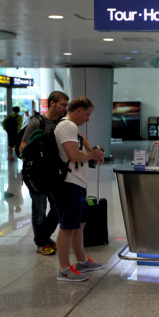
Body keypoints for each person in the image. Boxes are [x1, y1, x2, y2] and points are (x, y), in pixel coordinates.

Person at [51, 97, 105, 282]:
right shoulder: (67, 126)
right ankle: (64, 270)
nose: (88, 119)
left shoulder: (71, 128)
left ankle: (81, 261)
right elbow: (73, 155)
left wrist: (92, 154)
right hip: (68, 184)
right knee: (68, 226)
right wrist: (92, 154)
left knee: (79, 224)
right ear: (79, 110)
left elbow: (78, 150)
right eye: (87, 114)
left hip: (77, 183)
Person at [20, 91, 69, 256]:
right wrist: (34, 166)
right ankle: (41, 243)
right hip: (38, 174)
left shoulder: (63, 122)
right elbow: (23, 147)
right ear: (52, 103)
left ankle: (44, 236)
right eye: (62, 104)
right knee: (39, 209)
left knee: (57, 208)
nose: (65, 108)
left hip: (55, 173)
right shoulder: (37, 122)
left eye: (66, 105)